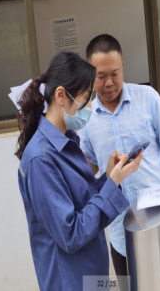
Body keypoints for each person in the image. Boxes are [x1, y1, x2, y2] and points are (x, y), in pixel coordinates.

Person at [14, 52, 143, 291]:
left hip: (91, 274)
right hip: (70, 281)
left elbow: (83, 201)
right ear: (61, 95)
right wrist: (111, 185)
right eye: (86, 98)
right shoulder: (41, 159)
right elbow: (70, 233)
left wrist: (110, 176)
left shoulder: (65, 141)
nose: (91, 106)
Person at [79, 35, 160, 285]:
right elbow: (88, 170)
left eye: (115, 73)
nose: (109, 83)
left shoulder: (147, 97)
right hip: (120, 232)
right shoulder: (85, 119)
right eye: (100, 76)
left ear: (122, 68)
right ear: (90, 75)